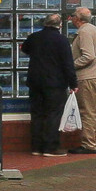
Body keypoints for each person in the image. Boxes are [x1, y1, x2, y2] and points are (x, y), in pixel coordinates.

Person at [20, 12, 78, 156]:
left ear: (45, 23)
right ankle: (50, 147)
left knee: (37, 113)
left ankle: (36, 147)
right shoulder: (61, 40)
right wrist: (73, 83)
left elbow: (25, 49)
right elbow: (67, 64)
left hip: (35, 82)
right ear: (59, 25)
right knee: (53, 114)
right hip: (55, 83)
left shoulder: (34, 37)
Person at [70, 6, 96, 153]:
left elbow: (88, 56)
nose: (71, 18)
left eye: (72, 15)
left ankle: (88, 144)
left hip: (87, 76)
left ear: (78, 19)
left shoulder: (84, 32)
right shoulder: (95, 30)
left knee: (87, 112)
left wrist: (70, 65)